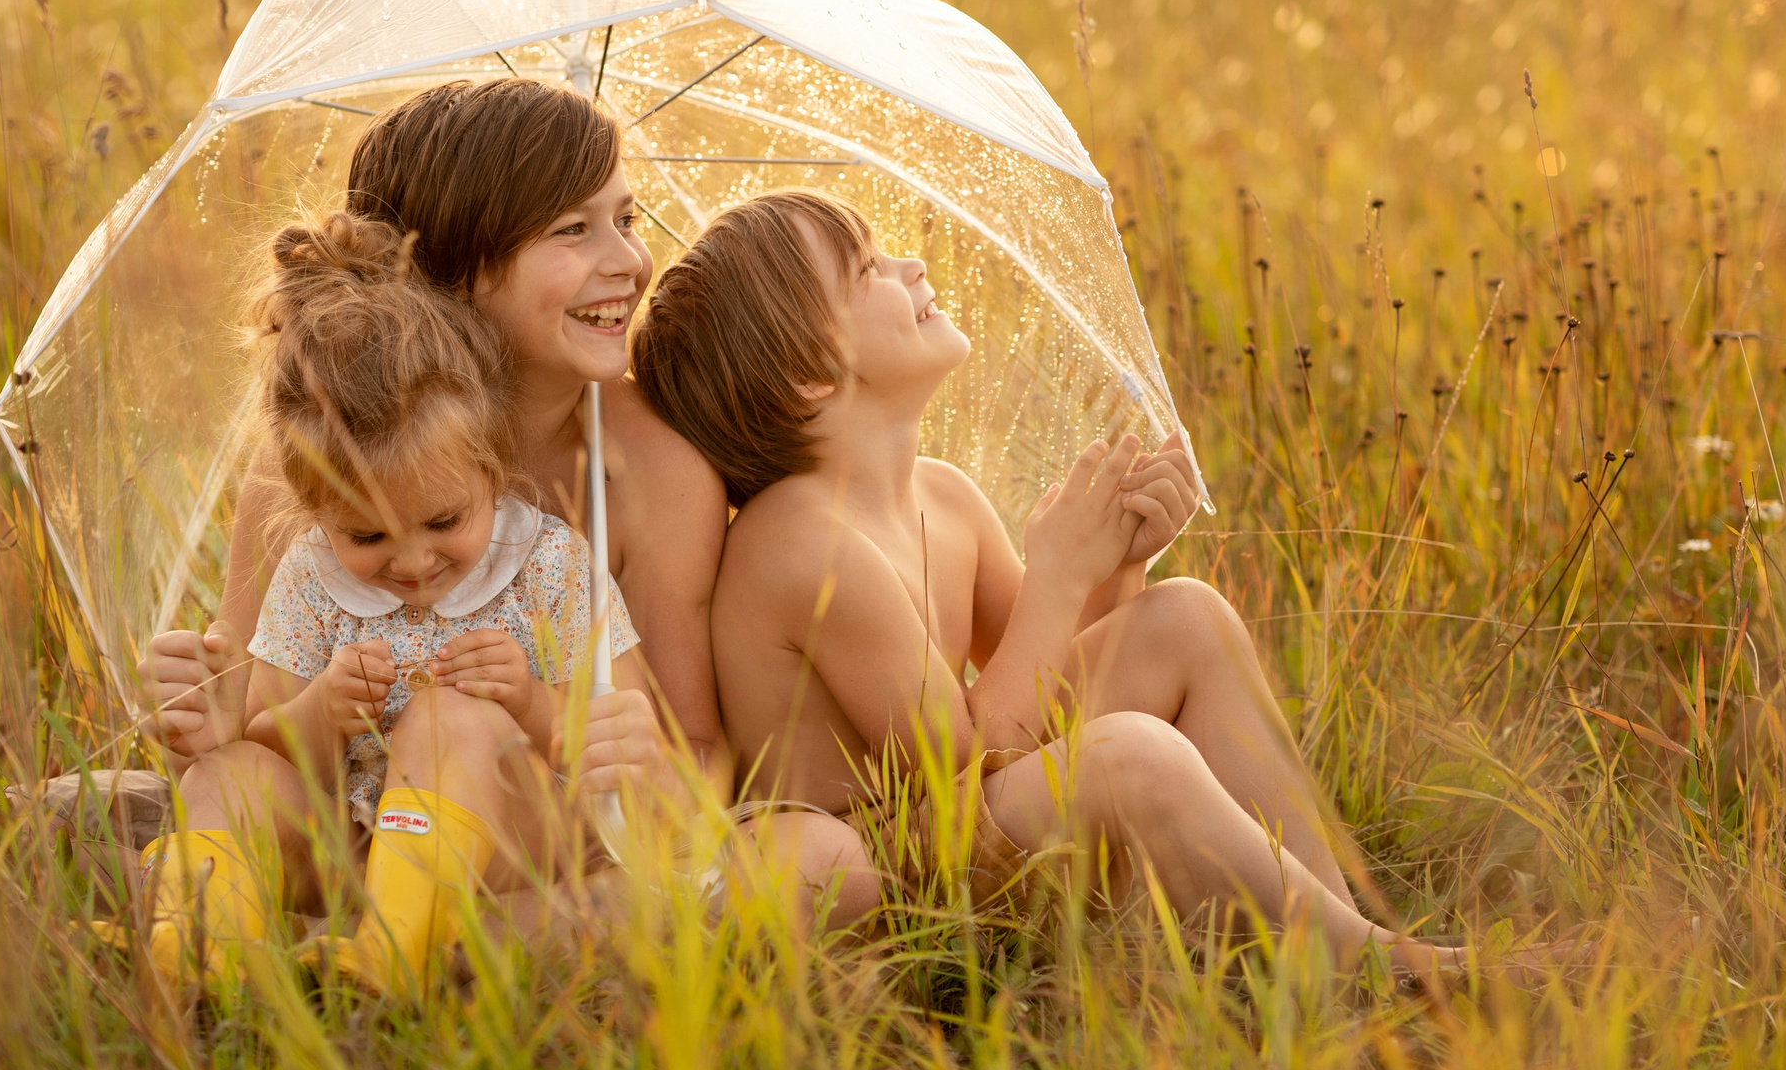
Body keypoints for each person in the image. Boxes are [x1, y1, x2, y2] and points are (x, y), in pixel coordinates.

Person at [631, 191, 1490, 973]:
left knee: (1183, 616)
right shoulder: (798, 541)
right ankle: (1390, 969)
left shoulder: (942, 493)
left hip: (966, 828)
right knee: (1128, 753)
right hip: (889, 877)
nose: (912, 266)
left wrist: (1121, 562)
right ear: (809, 372)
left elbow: (1045, 687)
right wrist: (1057, 573)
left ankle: (1342, 924)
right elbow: (968, 757)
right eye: (869, 270)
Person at [136, 79, 876, 928]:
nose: (630, 261)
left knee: (822, 869)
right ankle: (327, 936)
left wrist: (638, 747)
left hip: (545, 848)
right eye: (573, 229)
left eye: (626, 220)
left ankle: (422, 950)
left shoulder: (656, 474)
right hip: (346, 834)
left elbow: (696, 764)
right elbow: (252, 721)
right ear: (452, 270)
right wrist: (200, 709)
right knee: (210, 787)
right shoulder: (313, 461)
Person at [134, 212, 671, 993]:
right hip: (357, 851)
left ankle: (393, 958)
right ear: (316, 512)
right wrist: (324, 708)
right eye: (366, 535)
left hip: (509, 850)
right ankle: (197, 950)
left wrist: (526, 698)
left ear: (493, 468)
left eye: (445, 521)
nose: (413, 560)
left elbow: (613, 749)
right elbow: (285, 753)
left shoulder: (549, 565)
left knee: (449, 719)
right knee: (226, 773)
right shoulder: (315, 579)